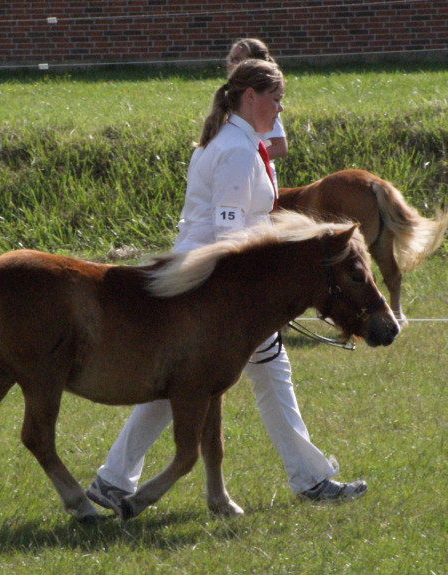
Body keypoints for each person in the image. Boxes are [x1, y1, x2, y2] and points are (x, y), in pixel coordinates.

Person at [86, 59, 367, 513]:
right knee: (261, 377)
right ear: (250, 96)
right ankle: (311, 480)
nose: (280, 107)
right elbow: (230, 234)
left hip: (212, 281)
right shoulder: (237, 150)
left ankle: (113, 479)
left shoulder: (243, 141)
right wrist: (258, 293)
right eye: (275, 98)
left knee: (184, 382)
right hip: (218, 287)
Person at [226, 38, 288, 164]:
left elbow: (280, 147)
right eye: (231, 58)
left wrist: (244, 158)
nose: (231, 63)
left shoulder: (265, 105)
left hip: (259, 176)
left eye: (238, 59)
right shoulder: (233, 97)